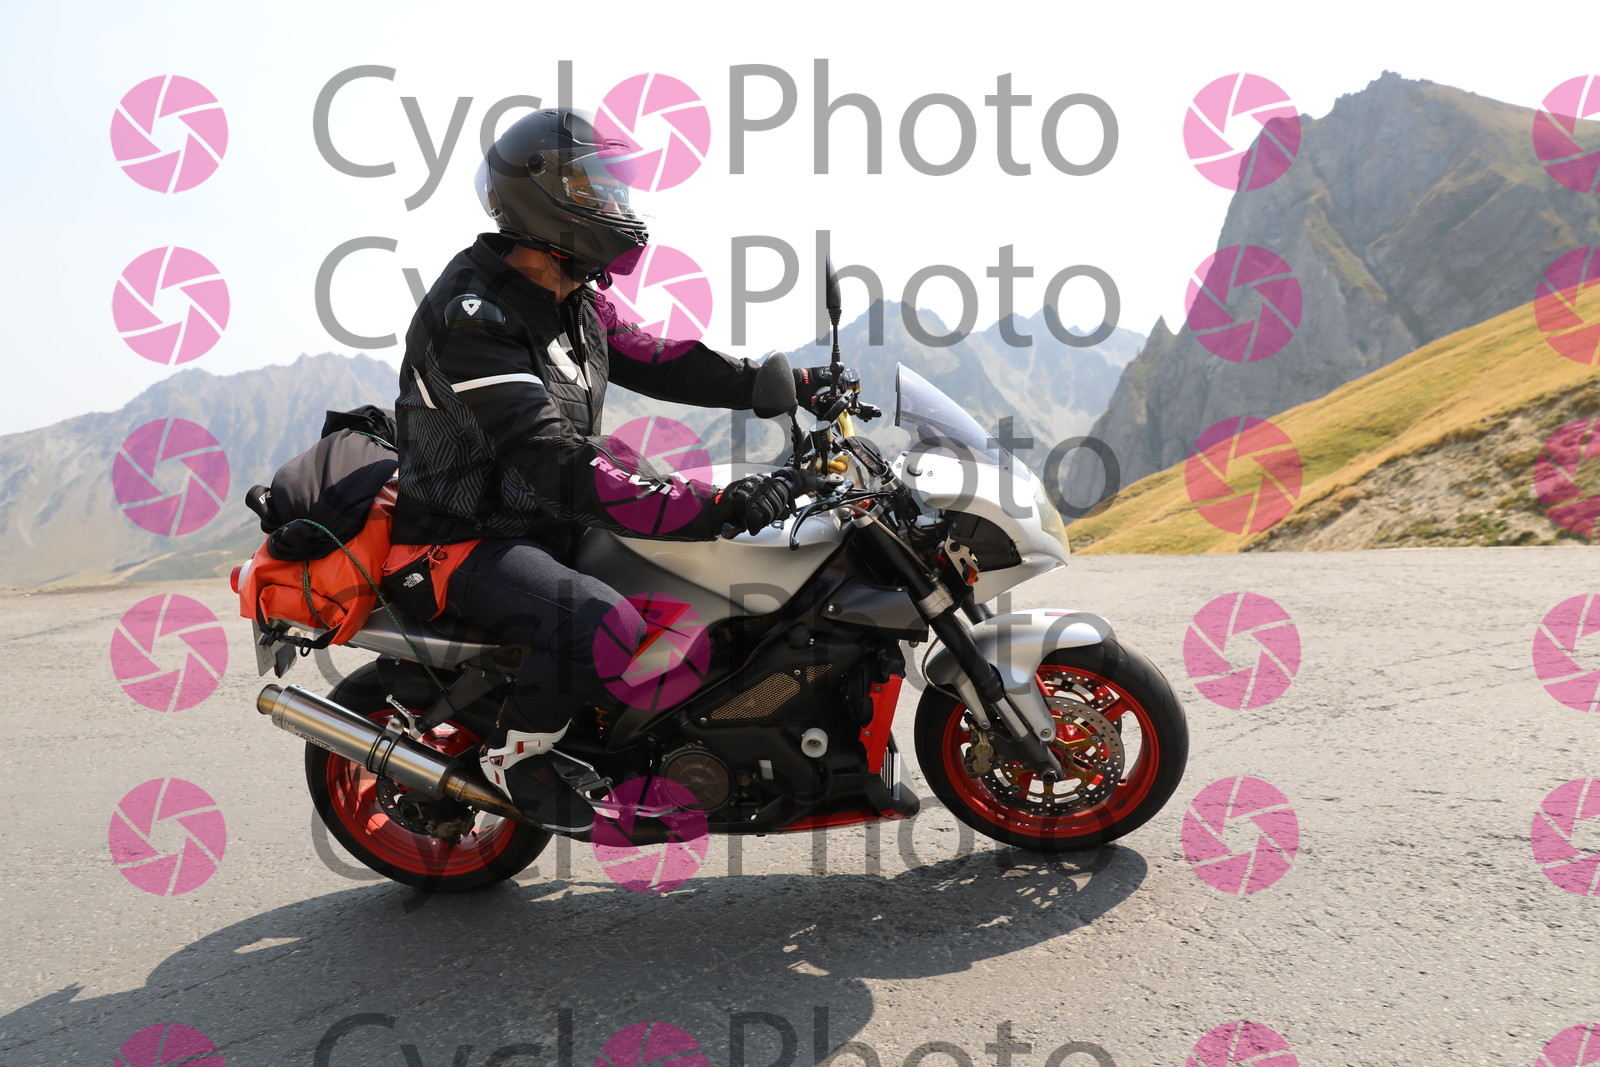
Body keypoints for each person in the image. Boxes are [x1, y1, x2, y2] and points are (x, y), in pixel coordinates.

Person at [389, 108, 829, 837]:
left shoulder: (571, 300)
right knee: (602, 625)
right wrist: (716, 502)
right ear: (541, 196)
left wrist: (785, 383)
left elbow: (662, 359)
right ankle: (515, 761)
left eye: (614, 185)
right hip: (464, 537)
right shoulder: (475, 316)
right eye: (594, 185)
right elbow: (553, 459)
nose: (615, 201)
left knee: (695, 590)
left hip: (544, 519)